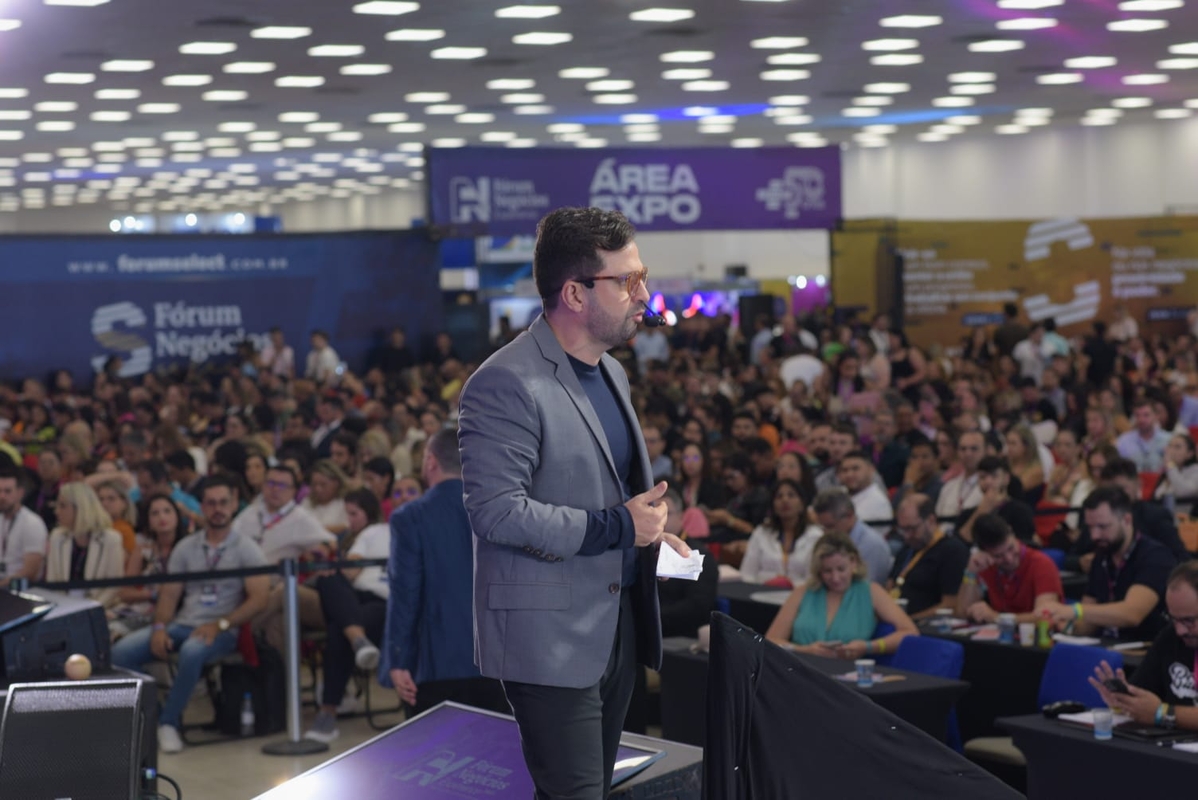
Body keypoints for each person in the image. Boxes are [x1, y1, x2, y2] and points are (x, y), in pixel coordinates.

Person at [458, 207, 690, 799]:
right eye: (627, 280)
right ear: (575, 293)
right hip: (548, 634)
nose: (643, 294)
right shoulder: (505, 381)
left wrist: (648, 534)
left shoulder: (611, 372)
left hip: (615, 624)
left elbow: (596, 494)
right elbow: (495, 511)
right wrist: (618, 526)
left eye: (642, 276)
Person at [111, 475, 270, 754]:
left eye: (223, 503)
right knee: (120, 653)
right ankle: (156, 714)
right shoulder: (187, 547)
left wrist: (221, 624)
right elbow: (169, 595)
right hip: (183, 623)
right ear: (202, 507)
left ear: (233, 505)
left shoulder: (247, 547)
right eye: (211, 503)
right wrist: (160, 626)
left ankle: (169, 723)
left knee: (193, 652)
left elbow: (260, 598)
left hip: (223, 629)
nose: (218, 509)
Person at [382, 429, 509, 721]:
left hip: (435, 660)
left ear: (430, 461)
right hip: (499, 659)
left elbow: (406, 591)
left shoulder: (410, 517)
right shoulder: (501, 510)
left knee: (436, 760)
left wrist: (398, 657)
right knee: (497, 758)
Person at [304, 490, 391, 743]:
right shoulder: (390, 532)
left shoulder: (371, 532)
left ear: (370, 512)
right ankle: (358, 641)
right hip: (366, 603)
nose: (349, 520)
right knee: (332, 587)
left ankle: (327, 712)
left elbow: (351, 572)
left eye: (354, 514)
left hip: (378, 601)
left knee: (336, 623)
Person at [1044, 487, 1177, 642]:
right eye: (1090, 527)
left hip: (1143, 651)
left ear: (1127, 520)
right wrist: (1066, 626)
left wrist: (1074, 610)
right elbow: (1088, 622)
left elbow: (1131, 614)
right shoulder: (1101, 557)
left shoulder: (1155, 556)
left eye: (1102, 527)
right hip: (1105, 646)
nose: (1094, 535)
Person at [765, 535, 917, 659]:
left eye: (841, 569)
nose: (835, 578)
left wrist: (869, 647)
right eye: (827, 571)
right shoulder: (803, 592)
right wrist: (803, 649)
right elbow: (771, 641)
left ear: (853, 562)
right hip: (801, 669)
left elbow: (910, 632)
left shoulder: (871, 591)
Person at [1089, 561, 1198, 731]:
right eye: (1174, 619)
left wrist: (1163, 713)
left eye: (1189, 621)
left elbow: (1155, 712)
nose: (1180, 630)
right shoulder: (1170, 637)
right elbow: (1142, 695)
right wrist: (1124, 701)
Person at [956, 513, 1064, 623]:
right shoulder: (986, 565)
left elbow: (1045, 617)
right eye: (998, 556)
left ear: (1012, 533)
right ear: (984, 553)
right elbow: (962, 614)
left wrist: (997, 618)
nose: (1009, 558)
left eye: (1011, 548)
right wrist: (971, 572)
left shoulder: (1041, 564)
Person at [110, 493, 189, 640]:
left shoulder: (189, 548)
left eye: (167, 511)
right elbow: (125, 593)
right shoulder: (143, 550)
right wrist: (152, 594)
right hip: (140, 609)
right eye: (155, 513)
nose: (162, 517)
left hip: (175, 612)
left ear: (177, 516)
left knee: (114, 632)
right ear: (148, 521)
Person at [45, 482, 126, 608]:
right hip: (63, 606)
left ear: (81, 508)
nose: (57, 511)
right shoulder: (57, 537)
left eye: (62, 506)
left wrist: (92, 609)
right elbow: (52, 581)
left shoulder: (111, 539)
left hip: (99, 607)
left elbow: (113, 586)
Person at [888, 494, 969, 617]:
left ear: (931, 521)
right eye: (903, 530)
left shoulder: (952, 551)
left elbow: (950, 605)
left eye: (912, 528)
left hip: (926, 626)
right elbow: (889, 586)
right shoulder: (907, 550)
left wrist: (910, 620)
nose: (907, 536)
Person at [740, 479, 824, 587]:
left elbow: (814, 579)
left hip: (800, 597)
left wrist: (788, 586)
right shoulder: (761, 533)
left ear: (802, 504)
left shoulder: (816, 536)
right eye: (779, 496)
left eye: (791, 495)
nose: (785, 500)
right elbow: (747, 574)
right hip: (761, 595)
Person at [657, 489, 718, 638]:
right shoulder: (640, 550)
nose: (659, 519)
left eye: (666, 513)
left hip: (681, 636)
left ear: (681, 516)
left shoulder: (697, 554)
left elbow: (698, 606)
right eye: (654, 513)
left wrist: (651, 616)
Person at [811, 489, 893, 585]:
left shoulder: (872, 545)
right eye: (822, 527)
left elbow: (864, 588)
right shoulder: (829, 541)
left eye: (830, 526)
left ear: (849, 515)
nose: (825, 533)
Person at [956, 456, 1037, 545]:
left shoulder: (1020, 511)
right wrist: (982, 509)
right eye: (982, 477)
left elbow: (1023, 545)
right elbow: (961, 543)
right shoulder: (968, 513)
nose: (988, 481)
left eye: (994, 476)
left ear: (1006, 479)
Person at [0, 464, 47, 582]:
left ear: (20, 493)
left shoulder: (32, 523)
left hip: (21, 589)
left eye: (7, 491)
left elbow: (30, 571)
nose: (2, 496)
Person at [935, 429, 986, 534]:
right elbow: (938, 520)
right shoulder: (948, 487)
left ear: (985, 451)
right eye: (963, 449)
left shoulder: (990, 487)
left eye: (974, 449)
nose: (968, 453)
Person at [837, 450, 893, 539]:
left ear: (871, 470)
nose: (849, 474)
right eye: (844, 470)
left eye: (855, 469)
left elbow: (846, 529)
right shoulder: (840, 492)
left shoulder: (877, 501)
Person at [1116, 399, 1171, 474]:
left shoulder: (1168, 439)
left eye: (1146, 415)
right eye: (1137, 415)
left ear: (1155, 416)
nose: (1141, 420)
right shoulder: (1123, 441)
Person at [302, 459, 350, 534]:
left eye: (323, 484)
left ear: (336, 483)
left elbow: (347, 527)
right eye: (314, 484)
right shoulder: (307, 502)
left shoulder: (346, 502)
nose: (318, 489)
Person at [1156, 433, 1198, 516]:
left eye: (1177, 447)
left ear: (1190, 453)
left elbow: (1182, 492)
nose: (1171, 450)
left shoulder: (1195, 470)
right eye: (1170, 446)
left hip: (1187, 519)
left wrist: (1170, 465)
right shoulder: (1167, 472)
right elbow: (1157, 496)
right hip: (1164, 517)